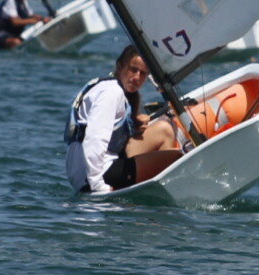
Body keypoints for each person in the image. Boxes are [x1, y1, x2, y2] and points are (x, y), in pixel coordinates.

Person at [64, 45, 185, 194]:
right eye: (133, 70)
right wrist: (98, 186)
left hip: (92, 167)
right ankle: (158, 195)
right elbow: (94, 139)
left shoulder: (112, 87)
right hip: (94, 174)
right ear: (119, 66)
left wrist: (134, 123)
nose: (137, 78)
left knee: (164, 130)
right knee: (177, 158)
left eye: (143, 73)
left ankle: (151, 190)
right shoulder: (112, 92)